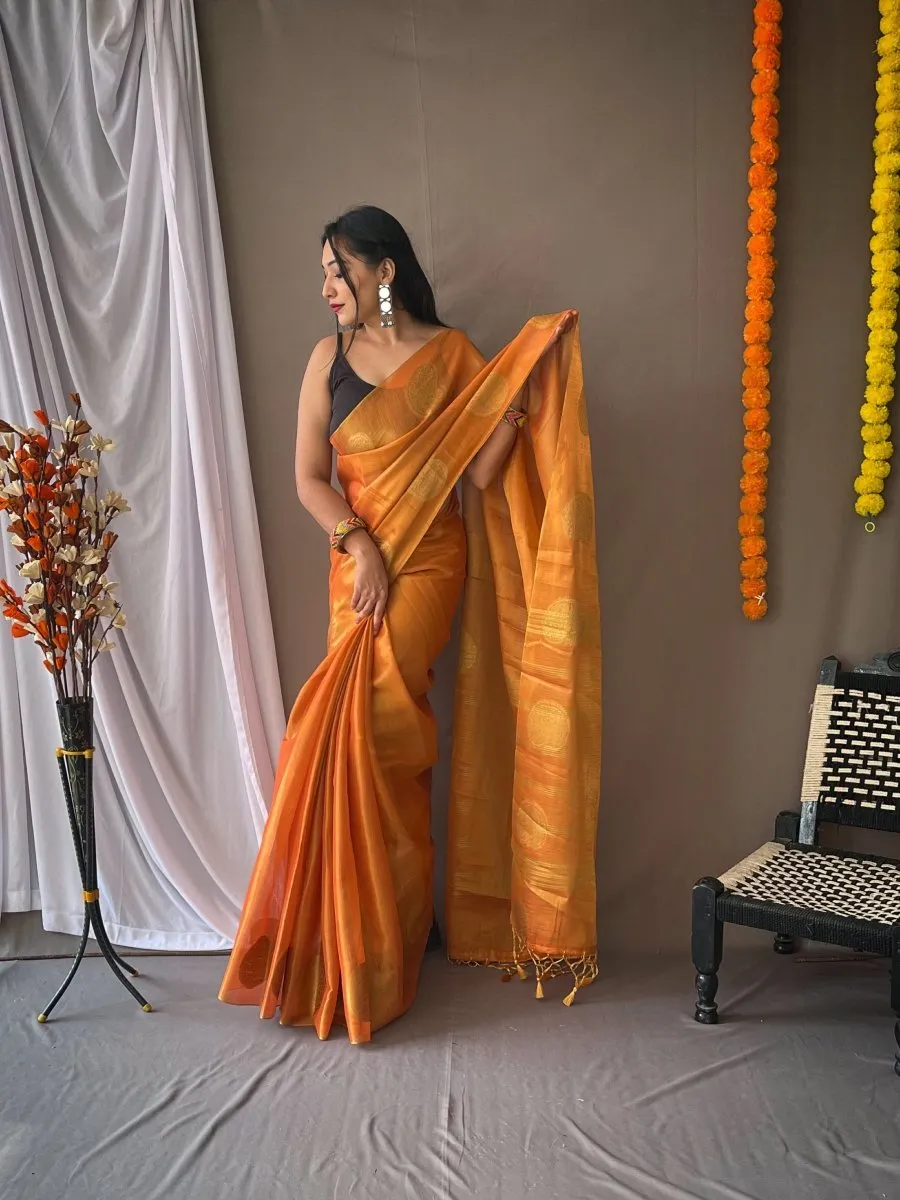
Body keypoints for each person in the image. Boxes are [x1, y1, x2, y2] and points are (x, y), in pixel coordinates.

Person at [219, 206, 601, 1043]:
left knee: (382, 729)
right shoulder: (329, 360)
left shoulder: (455, 355)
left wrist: (513, 400)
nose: (326, 288)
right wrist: (359, 547)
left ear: (383, 270)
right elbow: (307, 479)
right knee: (335, 734)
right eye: (322, 272)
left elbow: (482, 476)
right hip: (357, 569)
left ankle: (381, 946)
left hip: (430, 563)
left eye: (337, 269)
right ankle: (348, 940)